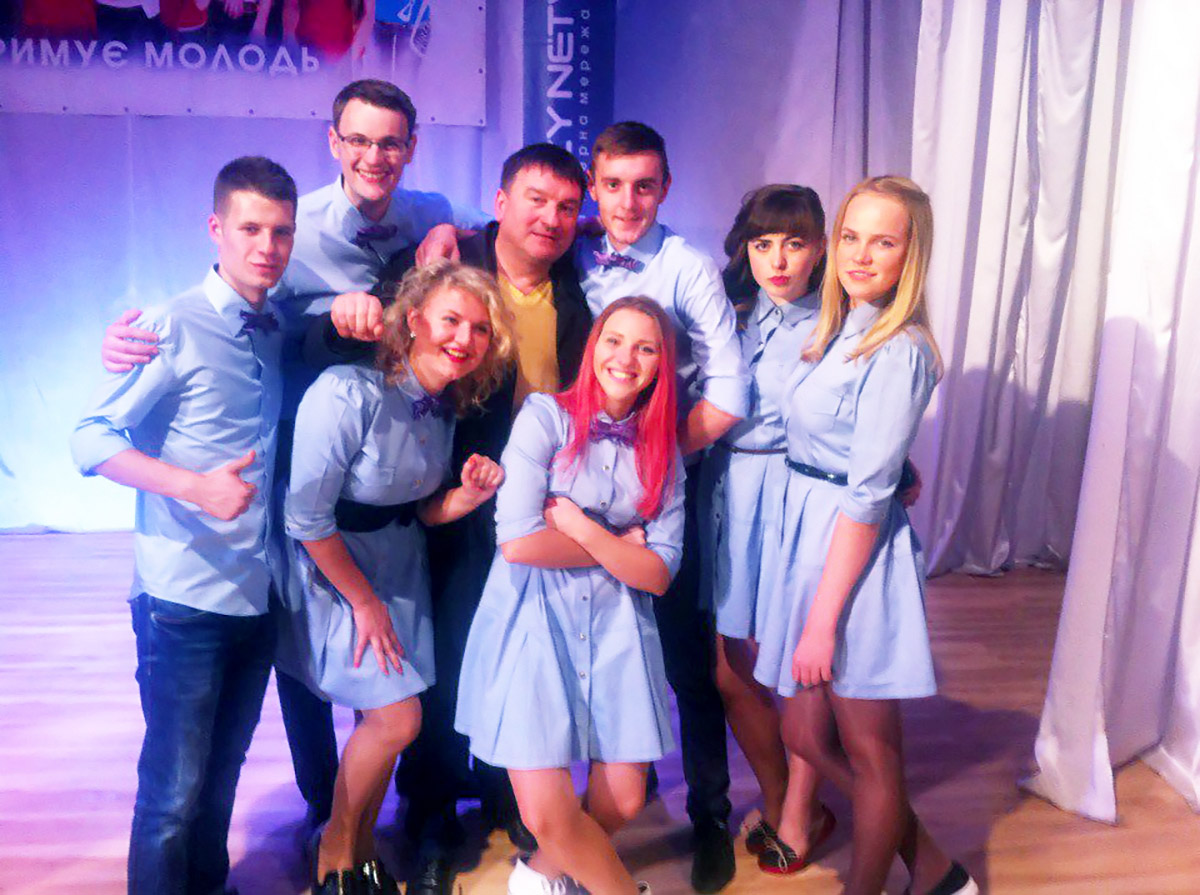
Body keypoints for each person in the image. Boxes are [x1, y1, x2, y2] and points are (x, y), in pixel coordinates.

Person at [98, 79, 488, 853]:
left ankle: (373, 809)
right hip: (295, 446)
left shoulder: (424, 210)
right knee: (301, 650)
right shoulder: (291, 225)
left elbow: (482, 221)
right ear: (333, 142)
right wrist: (135, 341)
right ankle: (322, 804)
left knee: (382, 665)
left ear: (411, 148)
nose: (374, 155)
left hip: (395, 446)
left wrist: (450, 226)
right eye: (359, 140)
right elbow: (228, 296)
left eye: (391, 142)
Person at [318, 142, 592, 895]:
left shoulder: (578, 286)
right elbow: (371, 342)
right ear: (499, 204)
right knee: (442, 660)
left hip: (538, 505)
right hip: (447, 497)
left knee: (521, 653)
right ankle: (432, 813)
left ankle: (506, 791)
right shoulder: (447, 267)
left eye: (567, 207)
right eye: (535, 199)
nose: (551, 218)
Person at [70, 156, 298, 895]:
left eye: (281, 231)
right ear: (215, 228)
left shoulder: (276, 325)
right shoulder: (170, 325)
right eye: (250, 228)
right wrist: (194, 487)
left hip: (255, 594)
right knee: (171, 794)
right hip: (183, 599)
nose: (266, 246)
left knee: (222, 775)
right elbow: (90, 439)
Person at [755, 176, 977, 895]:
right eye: (850, 236)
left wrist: (823, 621)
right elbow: (857, 441)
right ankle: (935, 867)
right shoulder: (844, 324)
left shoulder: (900, 347)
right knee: (802, 733)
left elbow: (868, 493)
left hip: (852, 557)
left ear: (911, 254)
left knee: (870, 751)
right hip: (811, 538)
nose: (859, 254)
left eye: (882, 241)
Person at [285, 260, 512, 893]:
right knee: (398, 720)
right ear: (412, 321)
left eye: (479, 330)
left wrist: (467, 497)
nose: (464, 339)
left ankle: (359, 853)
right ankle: (333, 854)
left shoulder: (442, 406)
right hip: (335, 566)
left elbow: (419, 509)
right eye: (451, 320)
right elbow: (305, 518)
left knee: (381, 722)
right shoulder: (345, 392)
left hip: (399, 565)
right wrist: (363, 602)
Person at [455, 296, 684, 895]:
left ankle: (539, 876)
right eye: (614, 340)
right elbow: (518, 544)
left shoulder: (663, 449)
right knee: (549, 814)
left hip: (617, 628)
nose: (626, 358)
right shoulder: (544, 418)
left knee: (626, 799)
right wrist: (621, 548)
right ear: (593, 346)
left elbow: (660, 574)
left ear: (660, 364)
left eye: (645, 348)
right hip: (534, 620)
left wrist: (582, 528)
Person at [576, 121, 749, 893]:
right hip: (581, 486)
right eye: (613, 185)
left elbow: (731, 395)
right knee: (600, 644)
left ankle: (710, 817)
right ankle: (611, 793)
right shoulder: (575, 250)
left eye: (644, 186)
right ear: (593, 186)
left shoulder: (687, 266)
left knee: (687, 660)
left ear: (666, 188)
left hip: (665, 481)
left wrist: (649, 458)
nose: (627, 202)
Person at [699, 184, 834, 875]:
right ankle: (782, 797)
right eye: (762, 243)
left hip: (790, 493)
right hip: (727, 490)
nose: (777, 260)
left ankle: (802, 814)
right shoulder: (731, 313)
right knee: (730, 669)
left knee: (791, 669)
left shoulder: (837, 323)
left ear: (819, 248)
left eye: (794, 243)